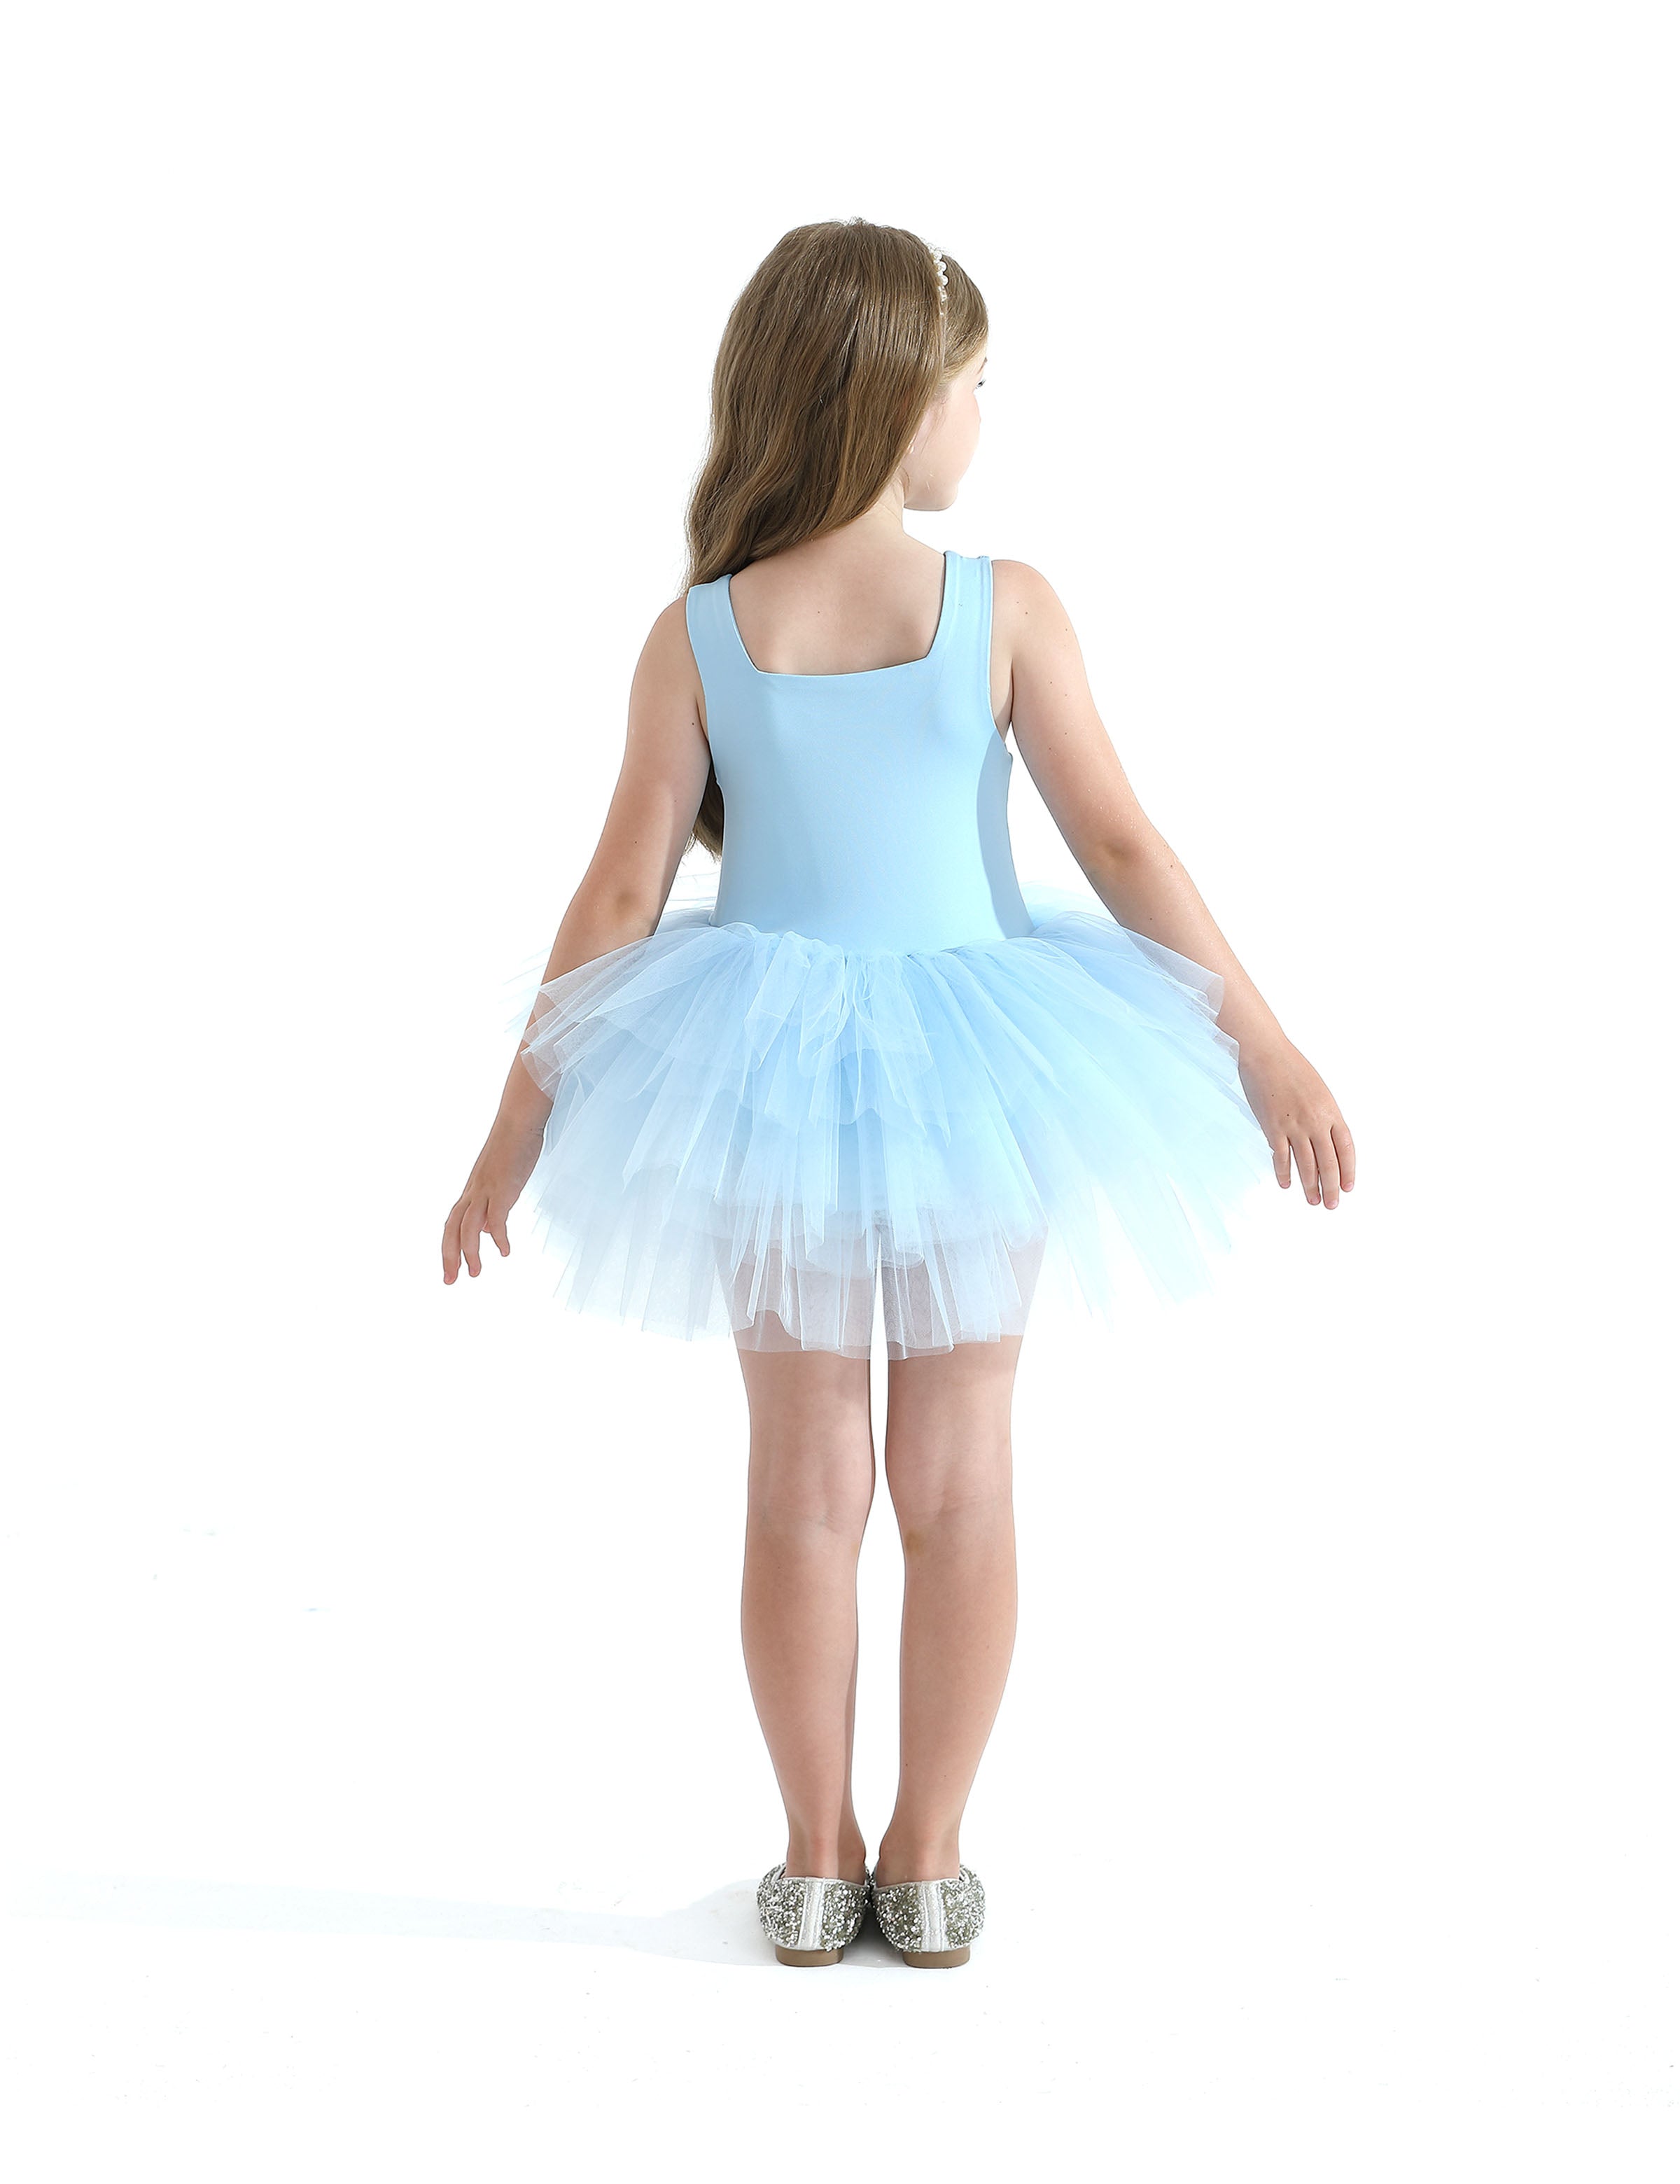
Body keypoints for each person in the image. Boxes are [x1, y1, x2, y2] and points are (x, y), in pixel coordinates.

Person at [440, 220, 1354, 1969]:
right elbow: (1122, 845)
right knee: (961, 1472)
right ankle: (925, 1862)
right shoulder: (1004, 607)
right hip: (978, 1071)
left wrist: (516, 1129)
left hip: (759, 1077)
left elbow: (620, 896)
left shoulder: (704, 632)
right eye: (977, 383)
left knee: (801, 1481)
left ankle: (815, 1859)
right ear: (897, 396)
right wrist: (1265, 1040)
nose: (984, 416)